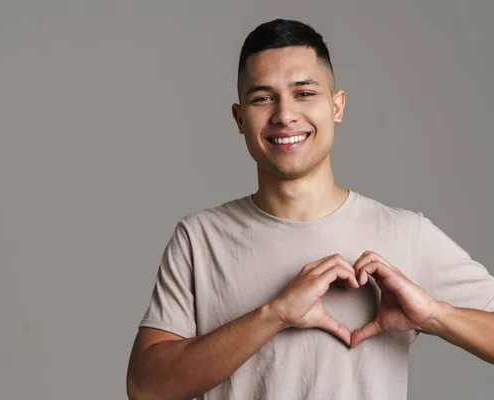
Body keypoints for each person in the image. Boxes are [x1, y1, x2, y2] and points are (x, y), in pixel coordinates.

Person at [126, 18, 494, 400]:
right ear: (239, 118)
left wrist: (436, 315)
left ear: (337, 106)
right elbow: (145, 387)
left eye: (304, 93)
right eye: (263, 98)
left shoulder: (406, 233)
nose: (284, 115)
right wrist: (275, 314)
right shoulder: (198, 239)